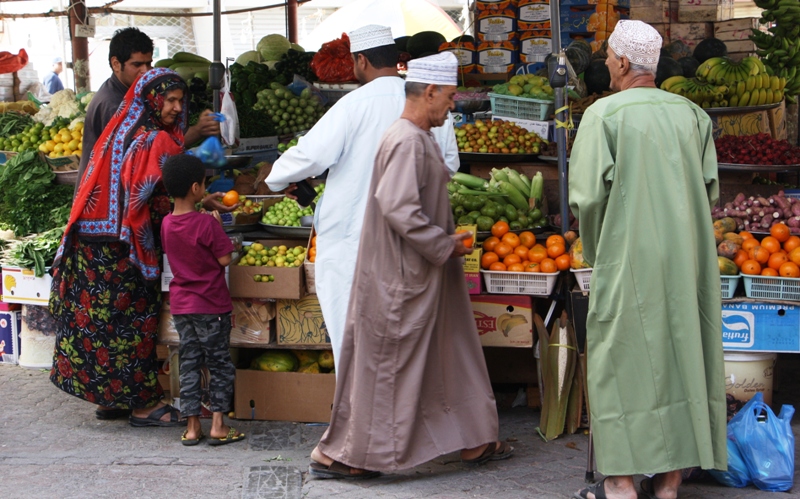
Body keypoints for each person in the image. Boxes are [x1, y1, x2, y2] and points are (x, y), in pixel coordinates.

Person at [308, 52, 512, 480]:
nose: (453, 105)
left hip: (422, 273)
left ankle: (475, 438)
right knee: (387, 368)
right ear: (430, 91)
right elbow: (399, 207)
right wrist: (442, 244)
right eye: (451, 96)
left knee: (452, 353)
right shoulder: (405, 139)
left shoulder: (416, 137)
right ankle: (351, 454)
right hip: (401, 276)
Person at [568, 20, 726, 499]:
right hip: (688, 264)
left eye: (607, 60)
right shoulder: (693, 116)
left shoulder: (603, 116)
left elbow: (588, 201)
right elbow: (710, 191)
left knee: (621, 362)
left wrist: (599, 253)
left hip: (626, 258)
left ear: (619, 62)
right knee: (683, 358)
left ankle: (619, 481)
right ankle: (670, 481)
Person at [266, 24, 459, 372]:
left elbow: (308, 156)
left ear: (360, 61)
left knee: (353, 342)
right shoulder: (424, 99)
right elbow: (451, 164)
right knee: (408, 346)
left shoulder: (352, 104)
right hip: (413, 243)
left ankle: (359, 418)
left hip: (352, 244)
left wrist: (278, 179)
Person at [49, 68, 198, 426]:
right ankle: (143, 405)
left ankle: (111, 400)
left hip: (91, 244)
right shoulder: (155, 140)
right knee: (132, 325)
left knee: (103, 326)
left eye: (181, 100)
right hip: (122, 248)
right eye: (170, 100)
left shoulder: (121, 128)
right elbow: (158, 201)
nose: (177, 108)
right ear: (153, 99)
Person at [75, 28, 223, 206]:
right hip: (109, 202)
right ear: (116, 64)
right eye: (137, 65)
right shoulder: (113, 105)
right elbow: (146, 162)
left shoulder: (138, 94)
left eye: (149, 64)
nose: (145, 71)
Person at [160, 154, 244, 447]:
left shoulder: (167, 224)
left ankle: (193, 427)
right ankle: (219, 425)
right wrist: (220, 229)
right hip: (211, 306)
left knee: (190, 363)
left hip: (183, 308)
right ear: (196, 187)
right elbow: (223, 258)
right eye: (204, 184)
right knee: (220, 364)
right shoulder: (207, 225)